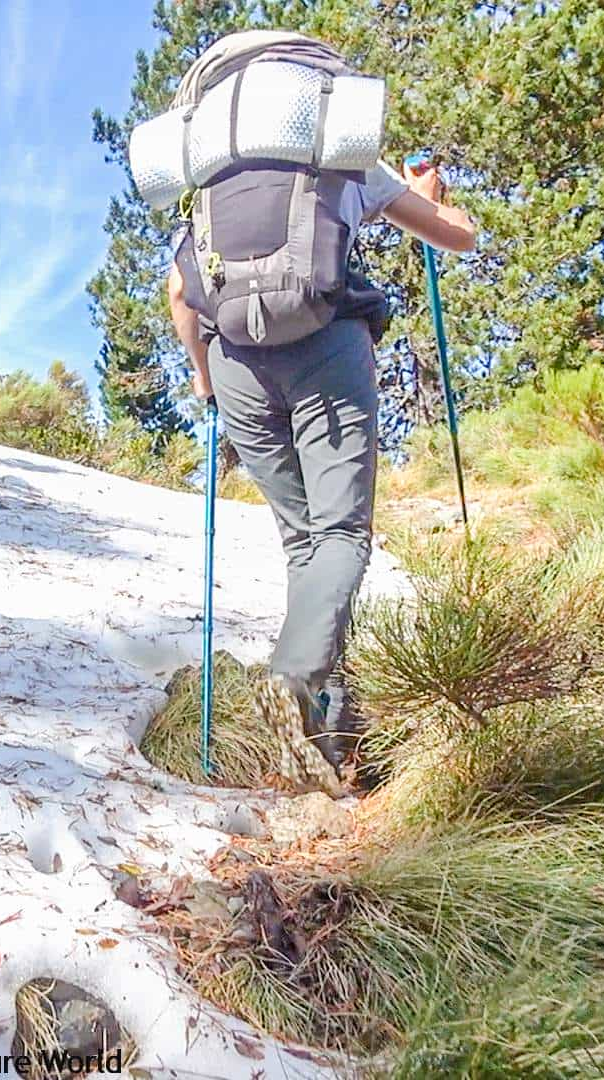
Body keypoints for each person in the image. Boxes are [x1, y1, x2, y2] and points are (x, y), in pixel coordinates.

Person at [167, 155, 477, 781]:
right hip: (326, 342)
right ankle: (297, 679)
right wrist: (427, 196)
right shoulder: (345, 158)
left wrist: (203, 376)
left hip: (235, 364)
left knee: (305, 543)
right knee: (340, 534)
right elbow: (457, 234)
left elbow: (179, 291)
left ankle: (326, 734)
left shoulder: (216, 182)